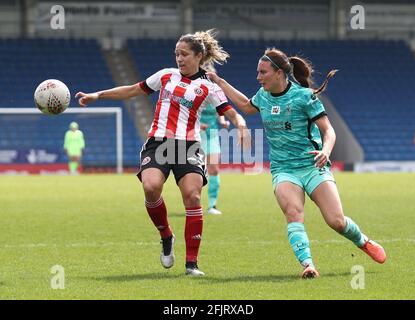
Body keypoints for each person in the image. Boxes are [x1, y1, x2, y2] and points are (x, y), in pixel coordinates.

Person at [75, 29, 251, 276]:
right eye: (177, 54)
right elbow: (132, 90)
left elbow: (229, 111)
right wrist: (98, 95)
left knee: (192, 196)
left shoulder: (208, 86)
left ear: (199, 56)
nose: (179, 58)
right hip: (158, 143)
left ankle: (192, 263)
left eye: (184, 54)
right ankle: (166, 235)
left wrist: (241, 125)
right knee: (150, 187)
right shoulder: (166, 76)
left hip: (188, 146)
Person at [207, 48, 386, 279]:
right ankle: (308, 265)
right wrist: (220, 81)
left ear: (279, 73)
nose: (258, 77)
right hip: (284, 169)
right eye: (257, 72)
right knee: (293, 212)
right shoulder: (263, 95)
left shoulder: (305, 97)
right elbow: (245, 106)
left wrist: (325, 149)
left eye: (263, 72)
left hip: (312, 166)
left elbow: (328, 131)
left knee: (336, 222)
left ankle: (363, 241)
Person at [200, 63, 230, 215]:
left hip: (211, 135)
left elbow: (221, 111)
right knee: (195, 171)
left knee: (214, 169)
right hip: (195, 136)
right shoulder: (194, 91)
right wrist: (198, 124)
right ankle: (193, 204)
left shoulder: (216, 93)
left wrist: (223, 121)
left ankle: (212, 205)